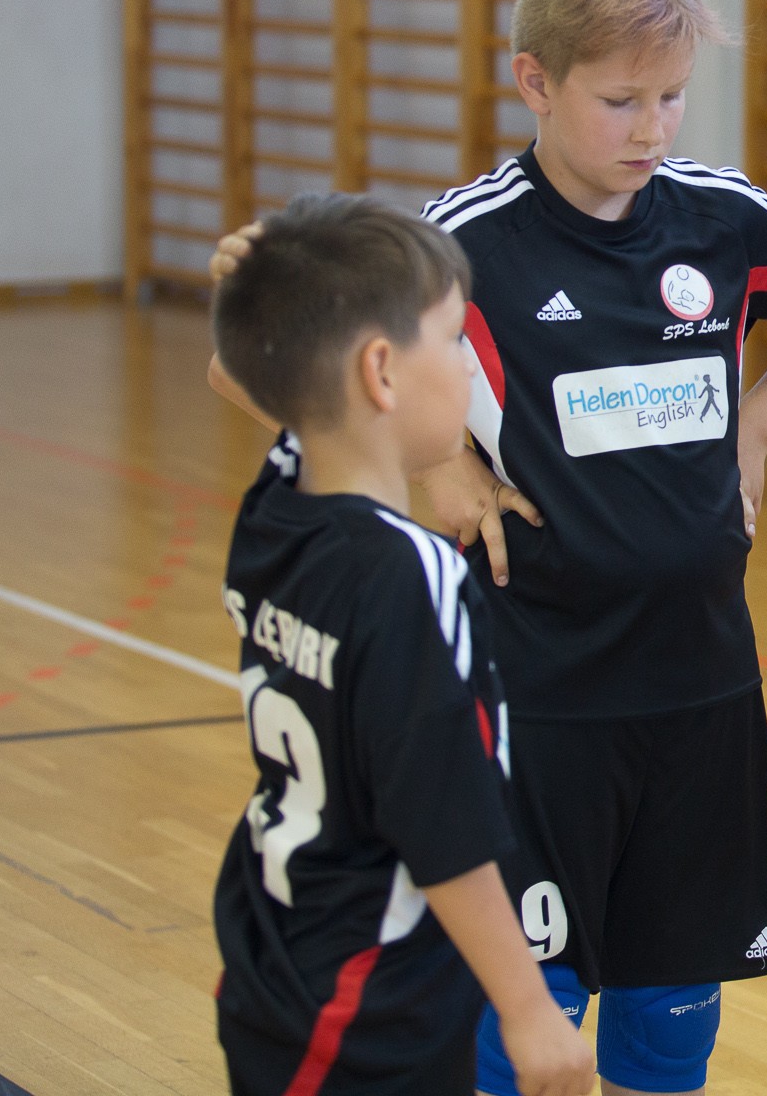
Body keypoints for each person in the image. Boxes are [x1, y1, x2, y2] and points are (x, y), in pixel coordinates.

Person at [220, 0, 767, 1096]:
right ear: (535, 81)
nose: (653, 129)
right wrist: (440, 467)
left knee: (671, 1029)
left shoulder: (721, 217)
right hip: (539, 699)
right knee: (527, 1023)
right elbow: (294, 365)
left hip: (701, 693)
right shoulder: (464, 239)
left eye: (672, 97)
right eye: (621, 101)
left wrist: (757, 426)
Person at [206, 194, 595, 1096]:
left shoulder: (274, 512)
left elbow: (250, 374)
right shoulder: (414, 578)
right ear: (381, 371)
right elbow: (445, 826)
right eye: (455, 340)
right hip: (370, 1005)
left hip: (273, 953)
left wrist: (275, 280)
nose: (470, 366)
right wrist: (528, 1008)